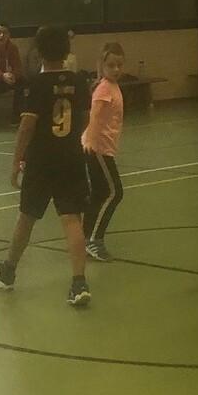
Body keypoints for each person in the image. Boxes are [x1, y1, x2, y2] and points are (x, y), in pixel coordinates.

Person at [0, 26, 92, 308]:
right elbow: (85, 118)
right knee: (72, 218)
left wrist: (16, 160)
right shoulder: (79, 81)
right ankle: (78, 283)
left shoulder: (36, 84)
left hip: (42, 160)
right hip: (71, 157)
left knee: (27, 216)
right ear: (66, 51)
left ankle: (8, 270)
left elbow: (27, 126)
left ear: (39, 52)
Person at [81, 42, 127, 261]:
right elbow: (95, 115)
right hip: (98, 148)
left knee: (99, 194)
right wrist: (91, 139)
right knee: (114, 192)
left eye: (119, 65)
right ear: (102, 65)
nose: (116, 69)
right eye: (111, 65)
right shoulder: (104, 88)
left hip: (105, 147)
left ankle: (83, 237)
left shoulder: (113, 86)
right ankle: (94, 240)